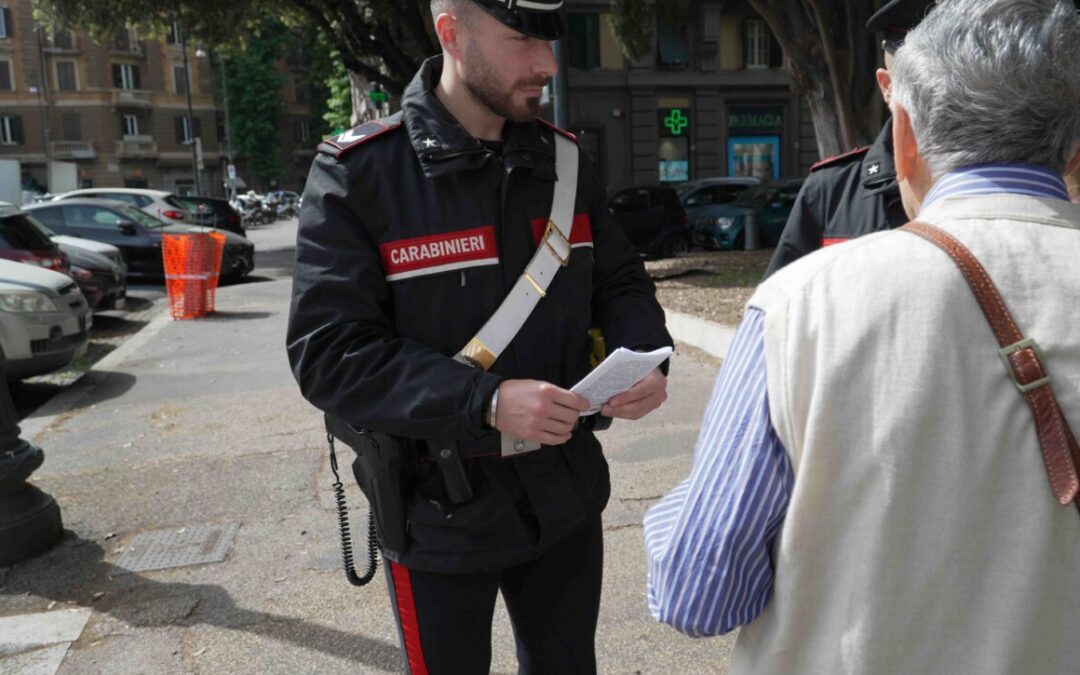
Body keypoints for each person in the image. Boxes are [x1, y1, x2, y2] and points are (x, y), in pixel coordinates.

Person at [644, 1, 1080, 673]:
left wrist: (687, 504)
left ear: (903, 133)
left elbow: (698, 593)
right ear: (1072, 142)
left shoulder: (798, 305)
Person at [287, 0, 672, 672]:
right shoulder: (360, 175)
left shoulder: (567, 163)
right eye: (522, 39)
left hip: (564, 497)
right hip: (434, 510)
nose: (546, 63)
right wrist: (486, 401)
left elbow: (619, 281)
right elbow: (329, 353)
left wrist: (641, 351)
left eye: (548, 40)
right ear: (451, 35)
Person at [763, 0, 934, 277]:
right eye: (920, 86)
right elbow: (777, 311)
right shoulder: (830, 192)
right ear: (887, 87)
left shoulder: (1006, 187)